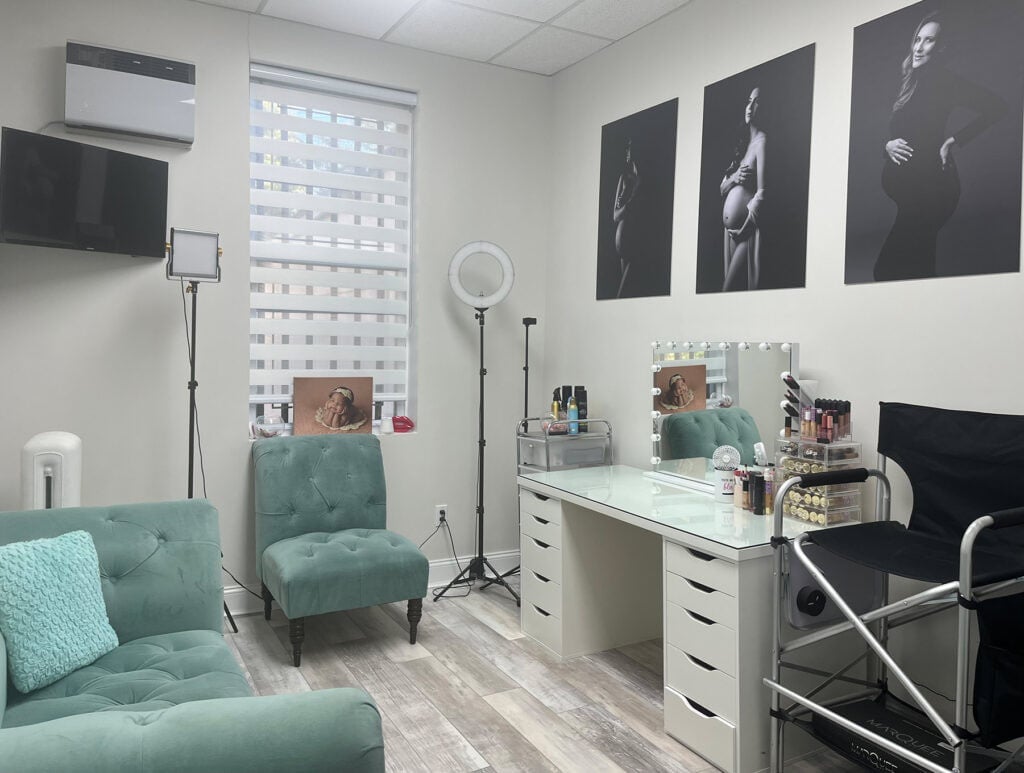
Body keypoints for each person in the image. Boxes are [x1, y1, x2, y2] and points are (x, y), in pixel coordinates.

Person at [873, 11, 1007, 281]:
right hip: (911, 194)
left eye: (929, 41)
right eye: (917, 39)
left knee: (890, 270)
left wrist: (952, 141)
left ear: (942, 46)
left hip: (932, 191)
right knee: (914, 266)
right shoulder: (910, 81)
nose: (919, 48)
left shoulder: (947, 82)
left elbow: (998, 107)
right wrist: (886, 145)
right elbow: (895, 132)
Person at [720, 87, 767, 291]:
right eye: (749, 101)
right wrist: (735, 177)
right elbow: (722, 188)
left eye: (756, 102)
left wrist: (745, 226)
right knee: (732, 295)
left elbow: (764, 193)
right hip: (729, 232)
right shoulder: (743, 145)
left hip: (745, 231)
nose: (750, 107)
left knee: (727, 290)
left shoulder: (762, 142)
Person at [612, 138, 640, 297]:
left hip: (635, 246)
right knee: (624, 297)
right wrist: (630, 203)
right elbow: (615, 216)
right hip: (622, 247)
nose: (628, 152)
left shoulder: (643, 183)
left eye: (631, 147)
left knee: (623, 295)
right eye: (627, 148)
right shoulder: (625, 179)